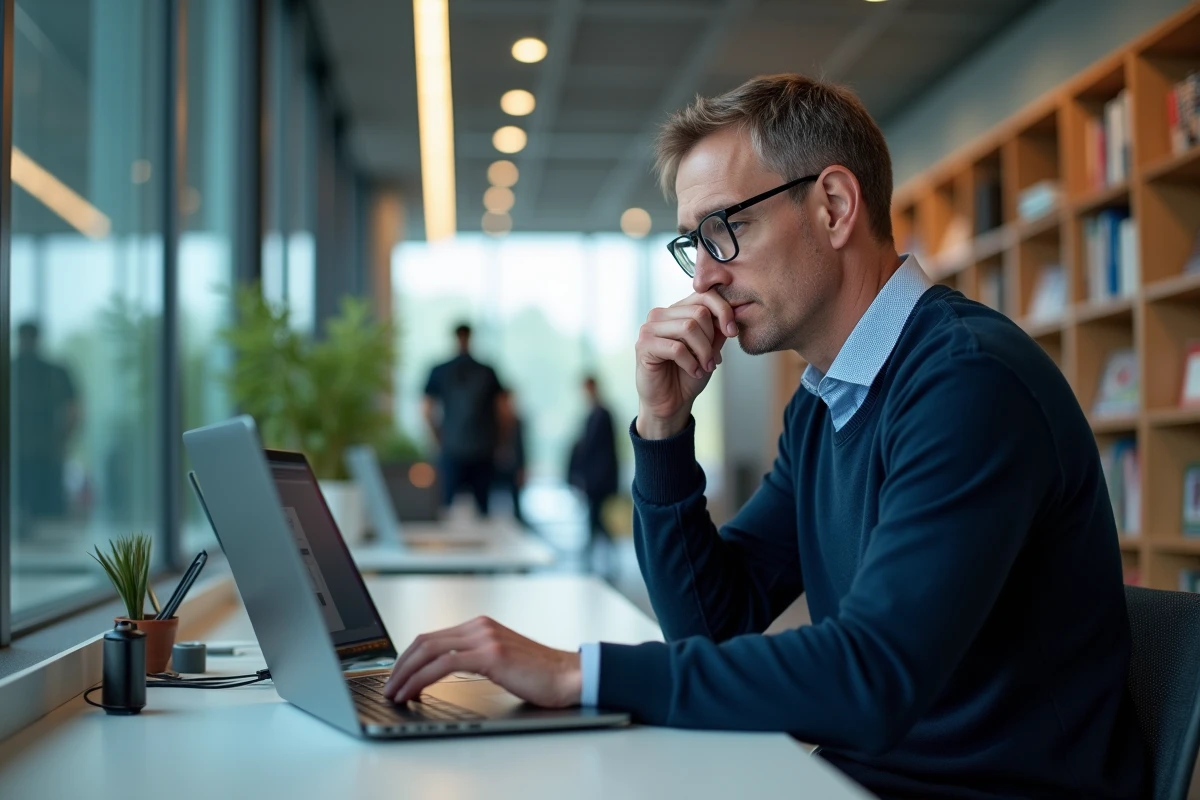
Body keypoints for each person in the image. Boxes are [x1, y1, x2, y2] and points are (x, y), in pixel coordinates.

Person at [383, 74, 1146, 798]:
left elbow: (873, 676)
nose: (703, 279)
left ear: (835, 206)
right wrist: (662, 430)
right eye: (693, 243)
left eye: (726, 228)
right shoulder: (826, 403)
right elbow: (713, 628)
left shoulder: (967, 384)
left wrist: (580, 674)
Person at [422, 323, 503, 517]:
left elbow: (426, 410)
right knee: (483, 510)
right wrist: (499, 442)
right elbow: (504, 412)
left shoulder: (440, 370)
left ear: (455, 337)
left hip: (451, 447)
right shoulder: (487, 371)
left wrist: (437, 439)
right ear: (470, 337)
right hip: (483, 447)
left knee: (445, 508)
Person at [13, 321, 79, 539]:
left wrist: (63, 441)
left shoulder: (16, 371)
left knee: (41, 517)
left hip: (33, 455)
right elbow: (73, 411)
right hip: (36, 455)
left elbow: (73, 411)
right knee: (45, 519)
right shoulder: (54, 372)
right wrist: (63, 440)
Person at [567, 376, 618, 575]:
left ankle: (592, 554)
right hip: (595, 477)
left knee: (596, 517)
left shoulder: (602, 415)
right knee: (595, 517)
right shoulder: (594, 415)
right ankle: (593, 553)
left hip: (600, 478)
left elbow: (602, 452)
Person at [493, 387, 528, 527]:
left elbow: (522, 446)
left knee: (515, 503)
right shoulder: (493, 421)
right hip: (495, 469)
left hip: (512, 466)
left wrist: (522, 468)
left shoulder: (517, 420)